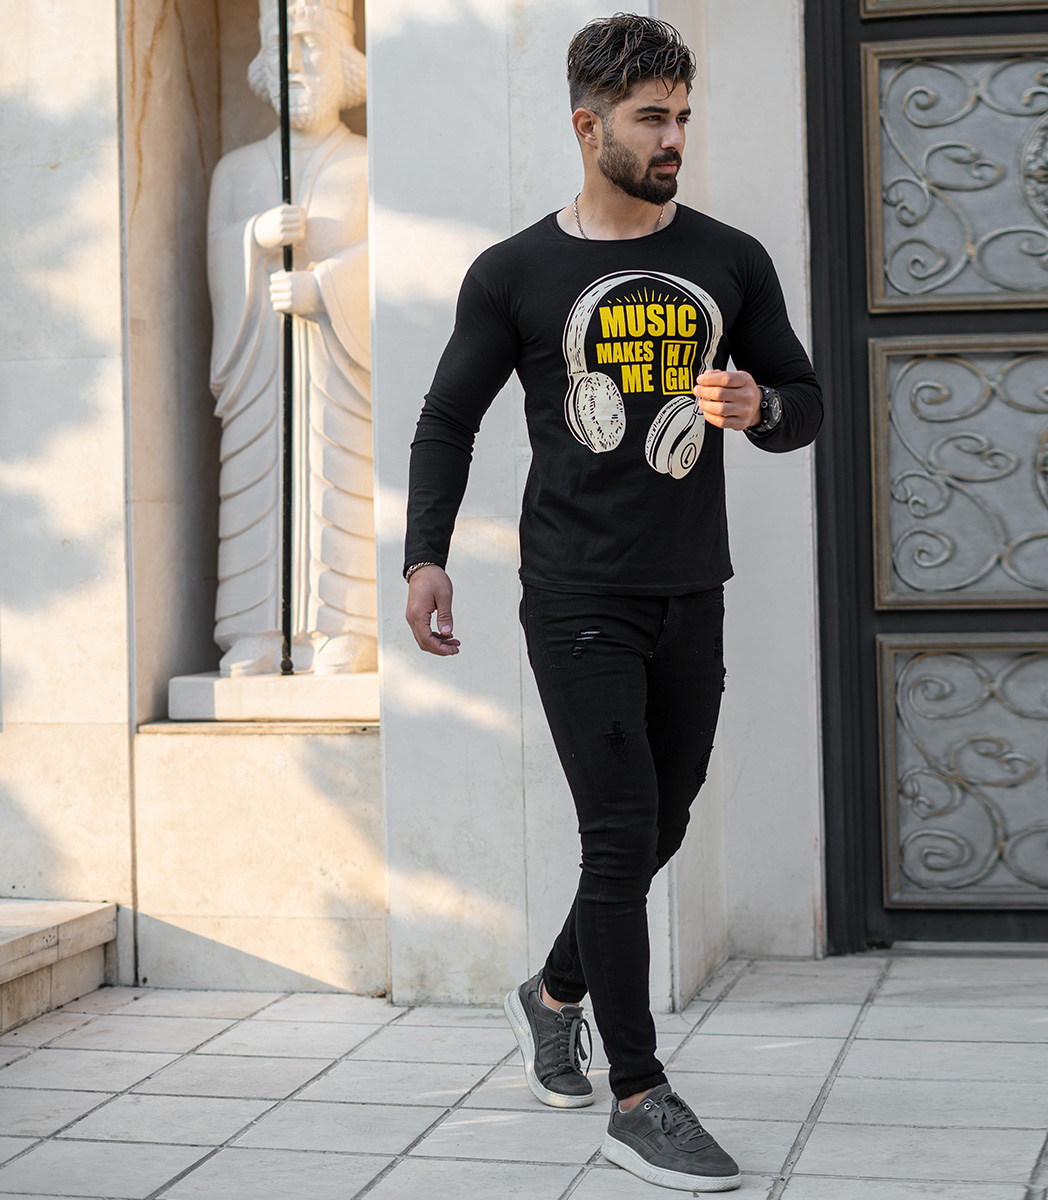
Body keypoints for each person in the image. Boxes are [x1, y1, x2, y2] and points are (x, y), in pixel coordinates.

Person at [404, 14, 822, 1192]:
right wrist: (426, 556)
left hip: (692, 585)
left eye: (683, 115)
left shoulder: (731, 259)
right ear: (589, 127)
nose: (674, 137)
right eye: (651, 118)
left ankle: (553, 996)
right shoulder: (515, 273)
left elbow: (803, 397)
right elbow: (447, 417)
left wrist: (760, 408)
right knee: (620, 827)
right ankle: (640, 1097)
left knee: (663, 821)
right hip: (577, 592)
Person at [207, 0, 376, 678]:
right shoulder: (236, 171)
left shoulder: (369, 163)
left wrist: (326, 287)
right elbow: (214, 260)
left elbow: (392, 260)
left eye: (310, 43)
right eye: (282, 45)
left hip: (341, 370)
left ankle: (345, 627)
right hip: (262, 371)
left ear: (345, 57)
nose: (295, 63)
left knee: (339, 481)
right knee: (257, 487)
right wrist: (250, 240)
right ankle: (256, 631)